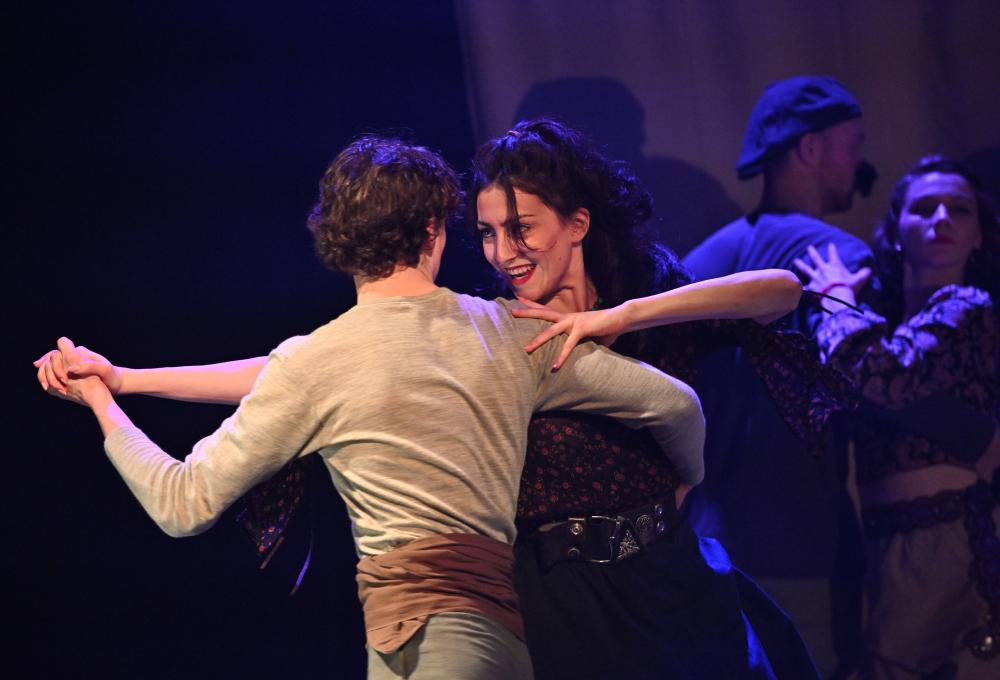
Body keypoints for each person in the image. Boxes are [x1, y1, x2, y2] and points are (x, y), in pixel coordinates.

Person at [38, 119, 816, 679]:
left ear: (577, 223)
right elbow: (296, 369)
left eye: (522, 229)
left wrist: (618, 324)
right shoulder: (496, 329)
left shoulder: (599, 309)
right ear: (443, 234)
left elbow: (763, 311)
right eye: (487, 233)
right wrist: (129, 379)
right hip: (546, 596)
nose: (504, 253)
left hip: (657, 575)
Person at [681, 75, 878, 678]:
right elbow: (880, 382)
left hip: (707, 538)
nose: (860, 162)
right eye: (852, 144)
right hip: (801, 537)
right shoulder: (838, 258)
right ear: (810, 149)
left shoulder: (700, 261)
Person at [795, 156, 1000, 679]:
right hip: (888, 543)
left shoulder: (968, 305)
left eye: (959, 209)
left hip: (949, 539)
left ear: (979, 236)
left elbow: (885, 377)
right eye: (924, 208)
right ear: (896, 231)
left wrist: (837, 298)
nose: (941, 218)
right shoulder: (884, 324)